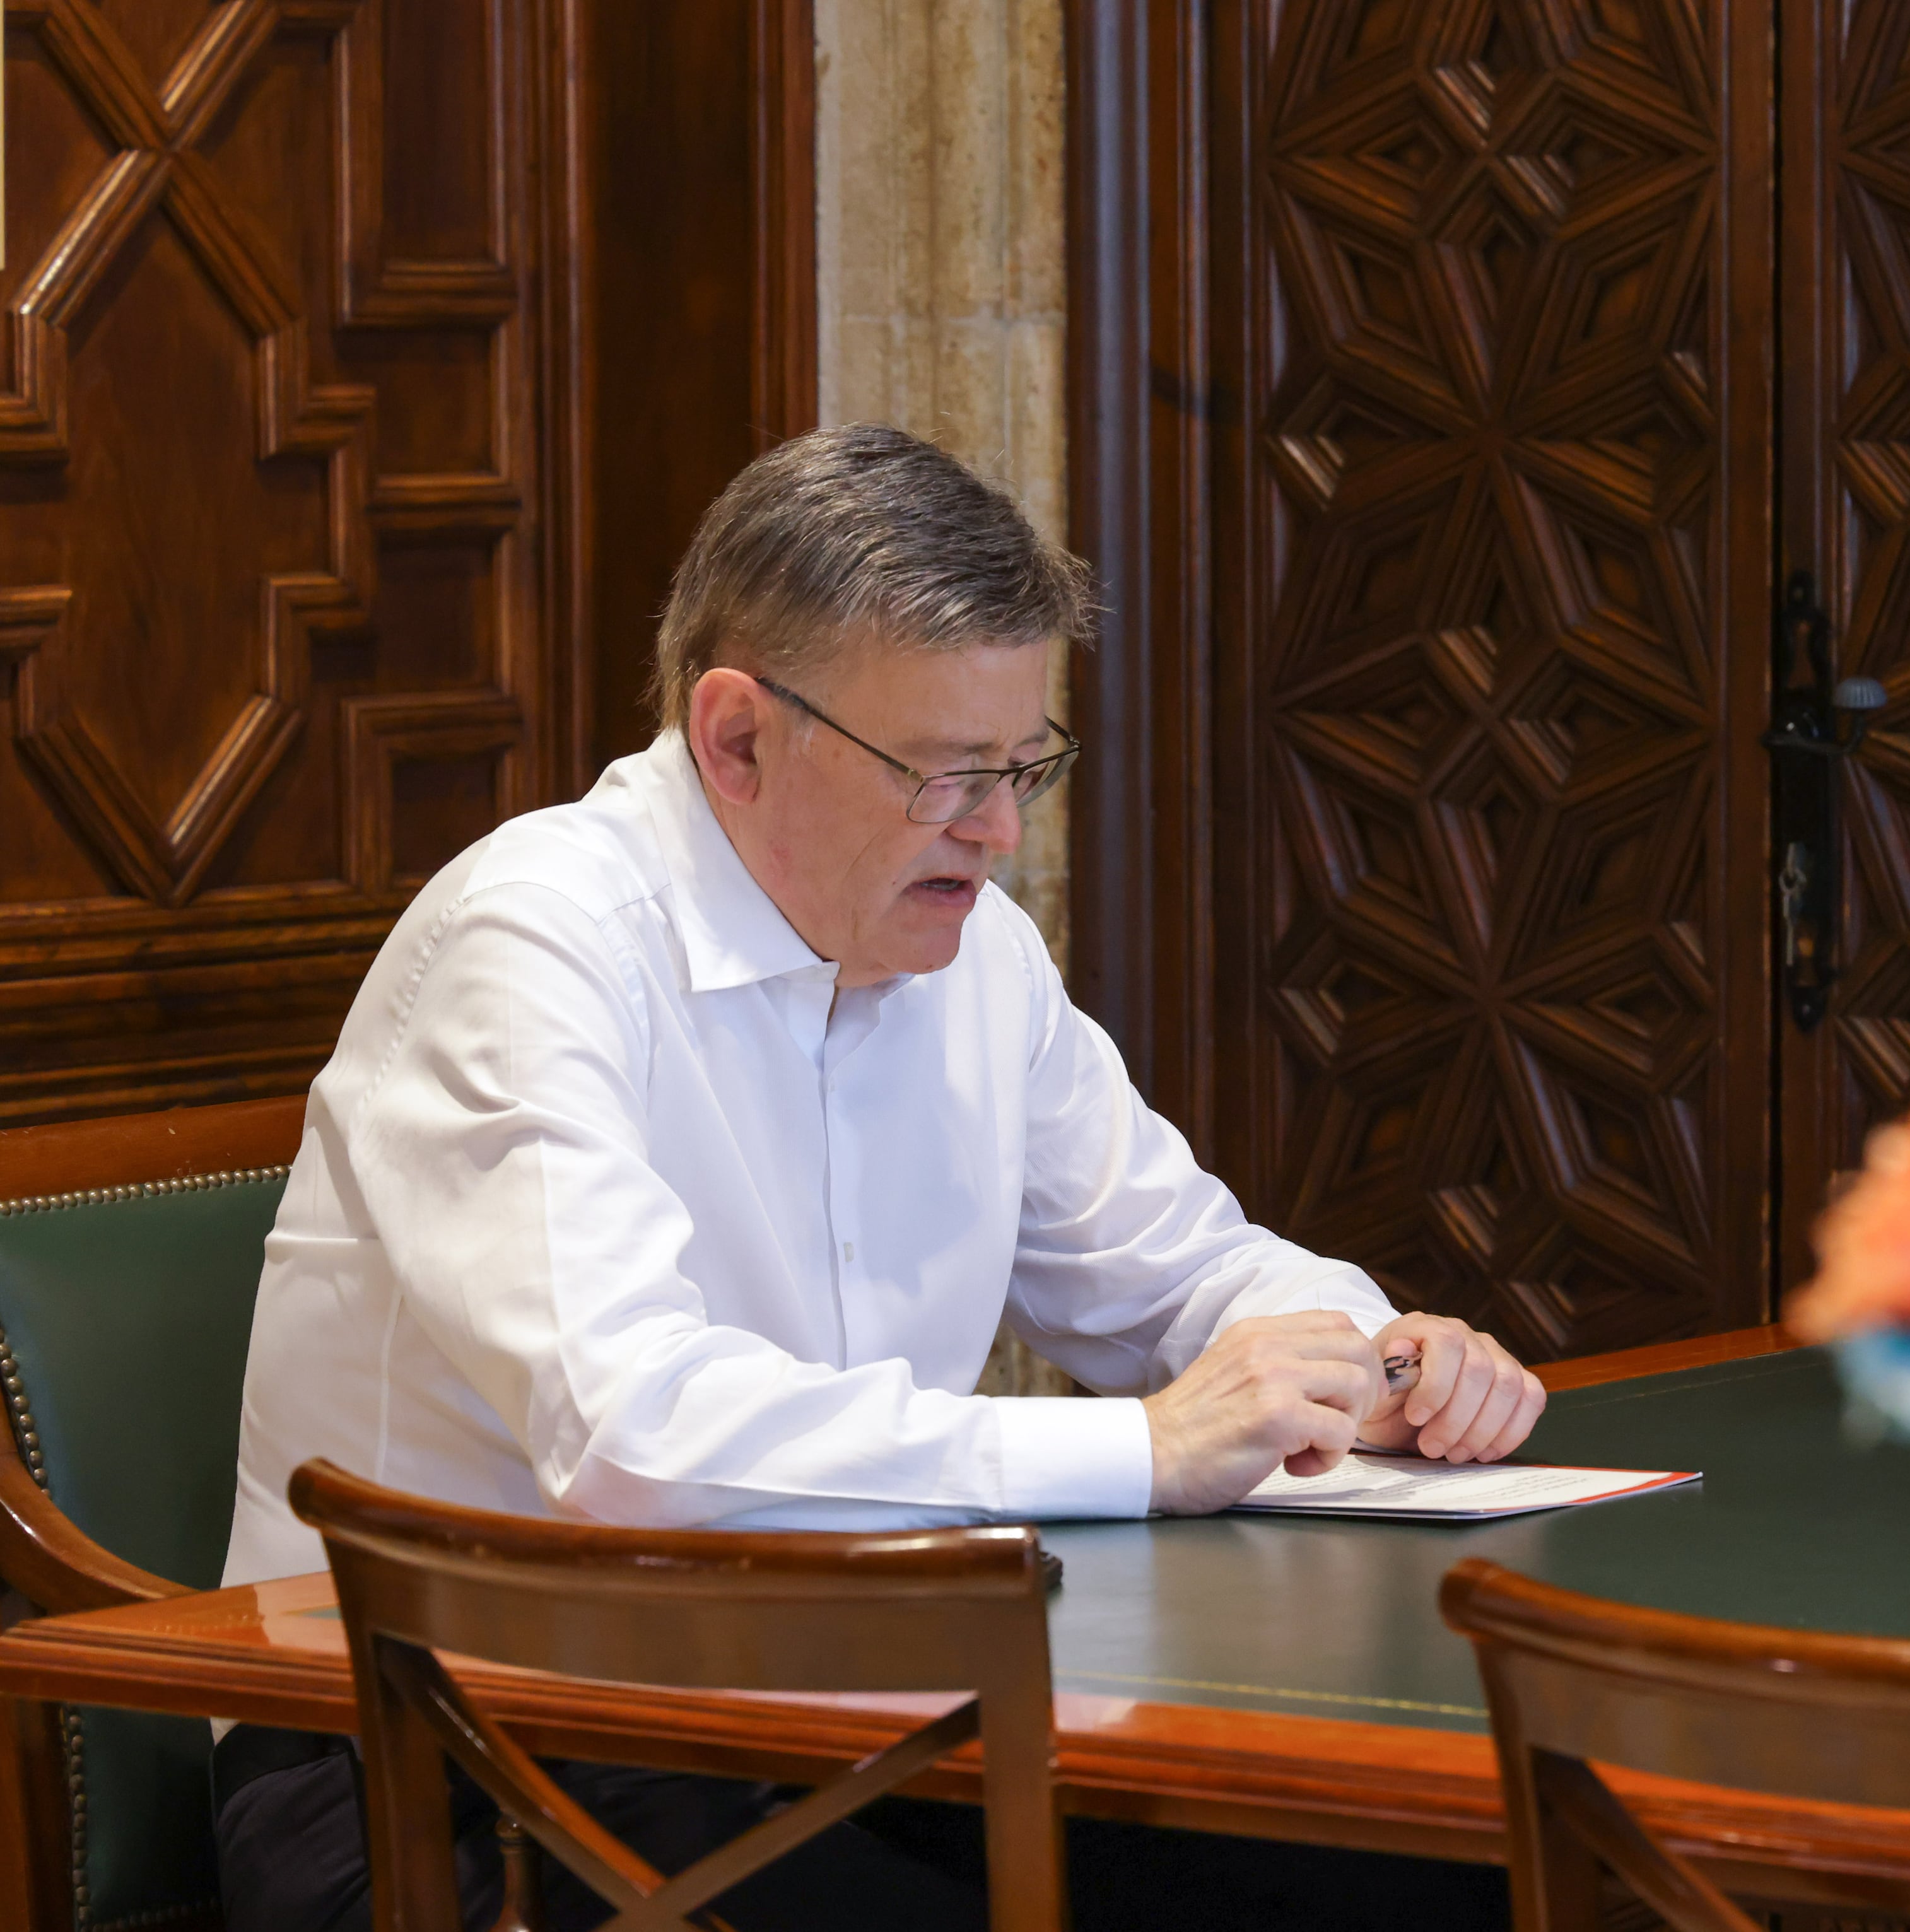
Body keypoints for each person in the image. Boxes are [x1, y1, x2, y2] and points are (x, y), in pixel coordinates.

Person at [213, 424, 1538, 1931]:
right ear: (736, 736)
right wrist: (1148, 1450)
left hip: (842, 1707)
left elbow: (1180, 1269)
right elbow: (631, 1435)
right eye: (947, 774)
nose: (1000, 831)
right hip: (444, 1744)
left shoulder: (977, 960)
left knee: (1426, 1873)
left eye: (1023, 763)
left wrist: (1375, 1355)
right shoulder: (534, 940)